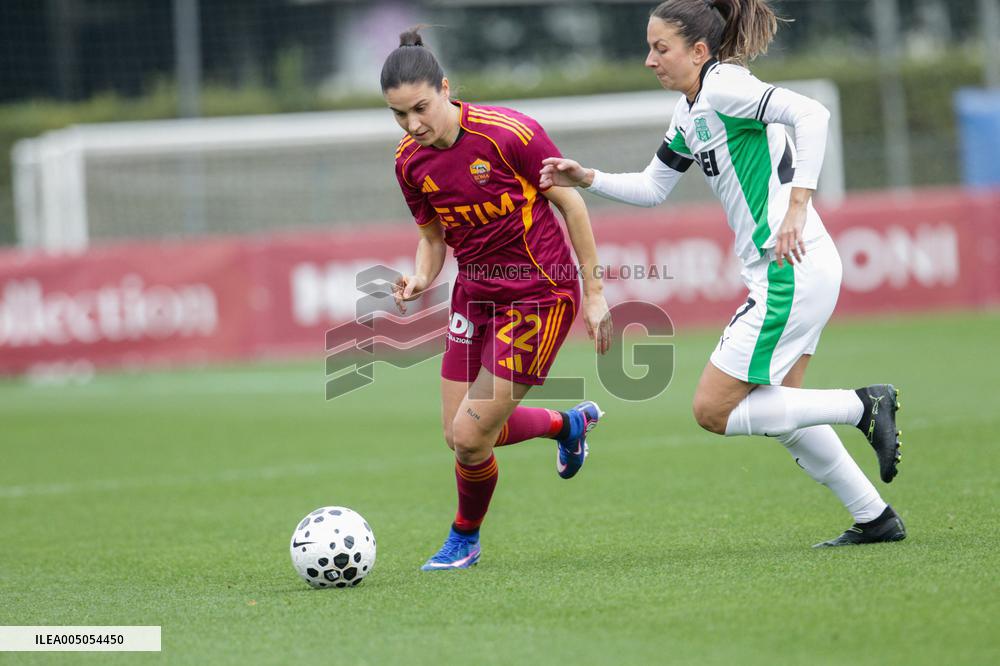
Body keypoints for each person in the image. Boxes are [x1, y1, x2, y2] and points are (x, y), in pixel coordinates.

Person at [540, 0, 905, 548]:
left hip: (789, 266)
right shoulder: (689, 110)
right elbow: (653, 187)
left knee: (713, 409)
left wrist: (799, 203)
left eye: (660, 48)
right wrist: (588, 177)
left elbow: (813, 114)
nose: (649, 60)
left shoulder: (725, 87)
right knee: (779, 409)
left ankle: (863, 405)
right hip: (792, 268)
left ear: (698, 51)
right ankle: (874, 517)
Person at [382, 28, 613, 570]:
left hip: (538, 294)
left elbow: (573, 207)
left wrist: (596, 294)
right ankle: (568, 425)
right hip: (473, 294)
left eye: (420, 108)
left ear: (445, 88)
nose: (412, 124)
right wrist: (421, 278)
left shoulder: (510, 135)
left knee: (470, 435)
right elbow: (432, 238)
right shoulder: (409, 162)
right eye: (399, 115)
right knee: (458, 435)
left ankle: (464, 538)